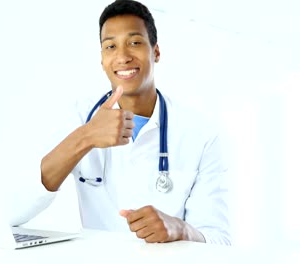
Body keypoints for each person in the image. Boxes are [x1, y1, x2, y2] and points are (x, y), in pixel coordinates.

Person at [38, 0, 231, 245]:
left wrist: (180, 229)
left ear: (156, 52)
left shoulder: (201, 134)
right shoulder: (79, 117)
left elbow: (220, 241)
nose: (122, 56)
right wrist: (86, 137)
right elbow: (21, 204)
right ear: (102, 59)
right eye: (110, 46)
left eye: (135, 42)